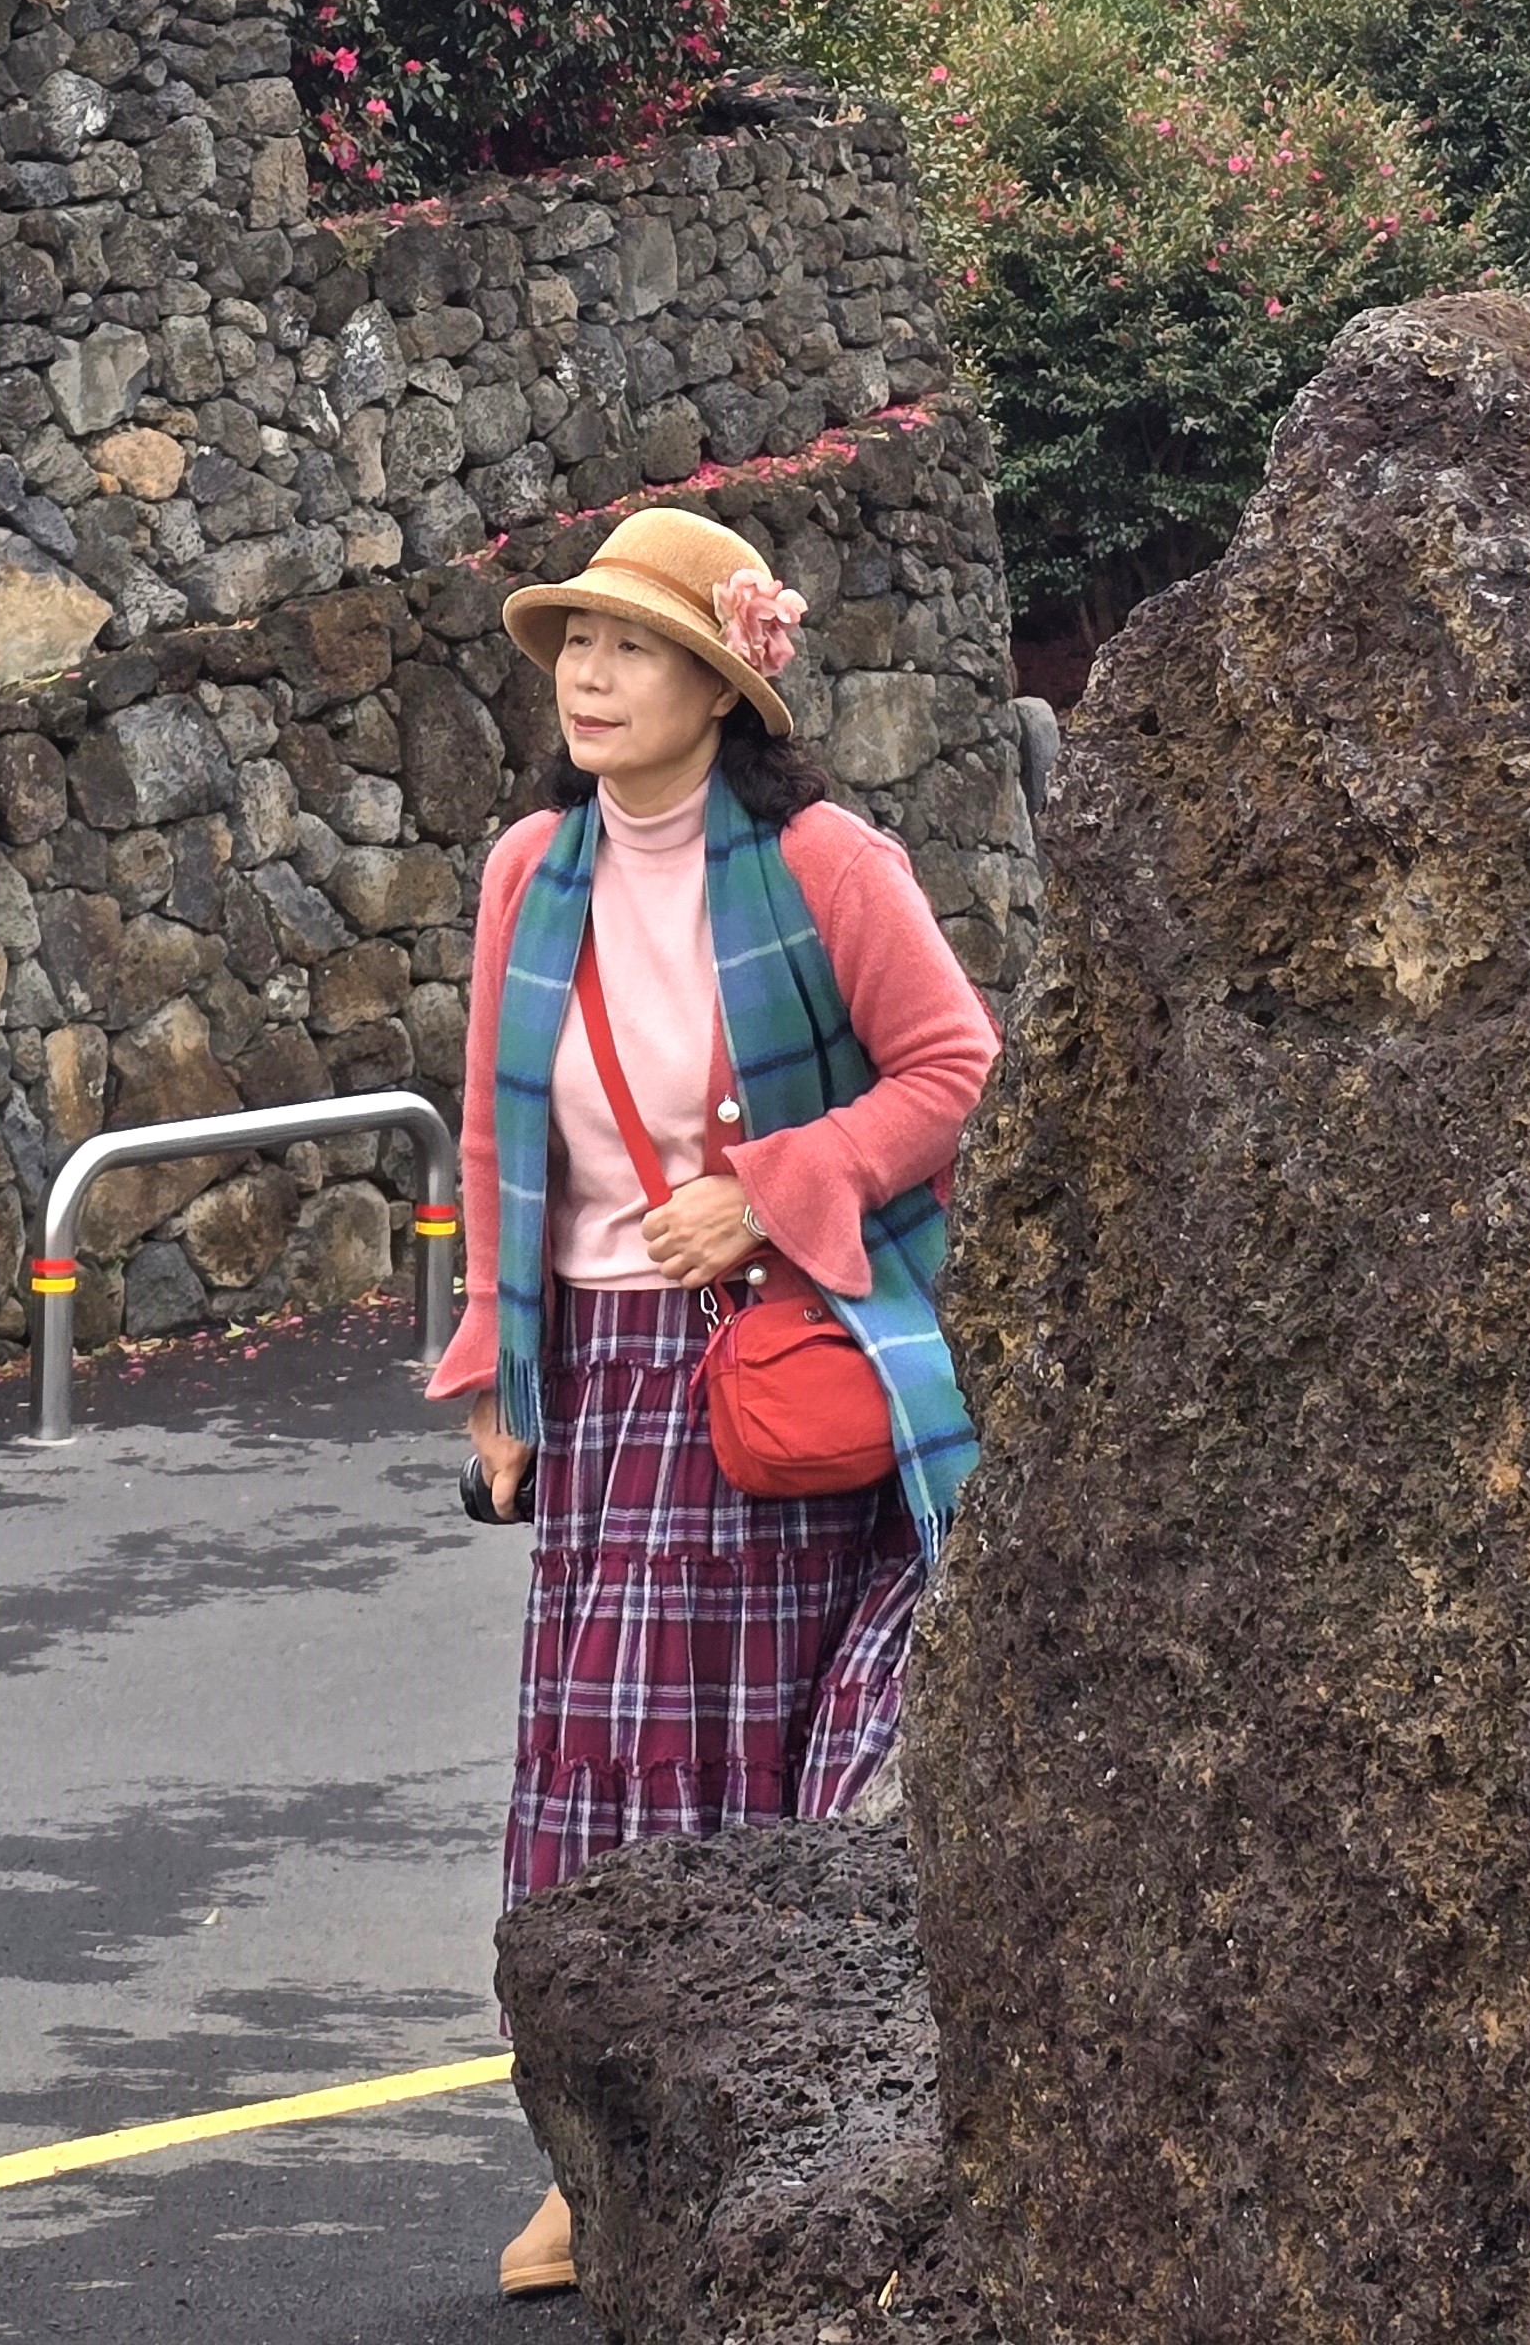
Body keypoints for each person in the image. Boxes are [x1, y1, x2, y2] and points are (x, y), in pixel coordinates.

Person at [428, 503, 1002, 2300]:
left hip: (787, 1366)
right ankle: (586, 2161)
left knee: (772, 1768)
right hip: (606, 1381)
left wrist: (766, 1189)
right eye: (577, 646)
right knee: (598, 1774)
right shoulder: (533, 870)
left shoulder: (826, 862)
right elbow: (493, 1138)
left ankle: (779, 2138)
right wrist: (496, 1373)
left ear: (721, 688)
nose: (590, 678)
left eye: (635, 649)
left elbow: (955, 1065)